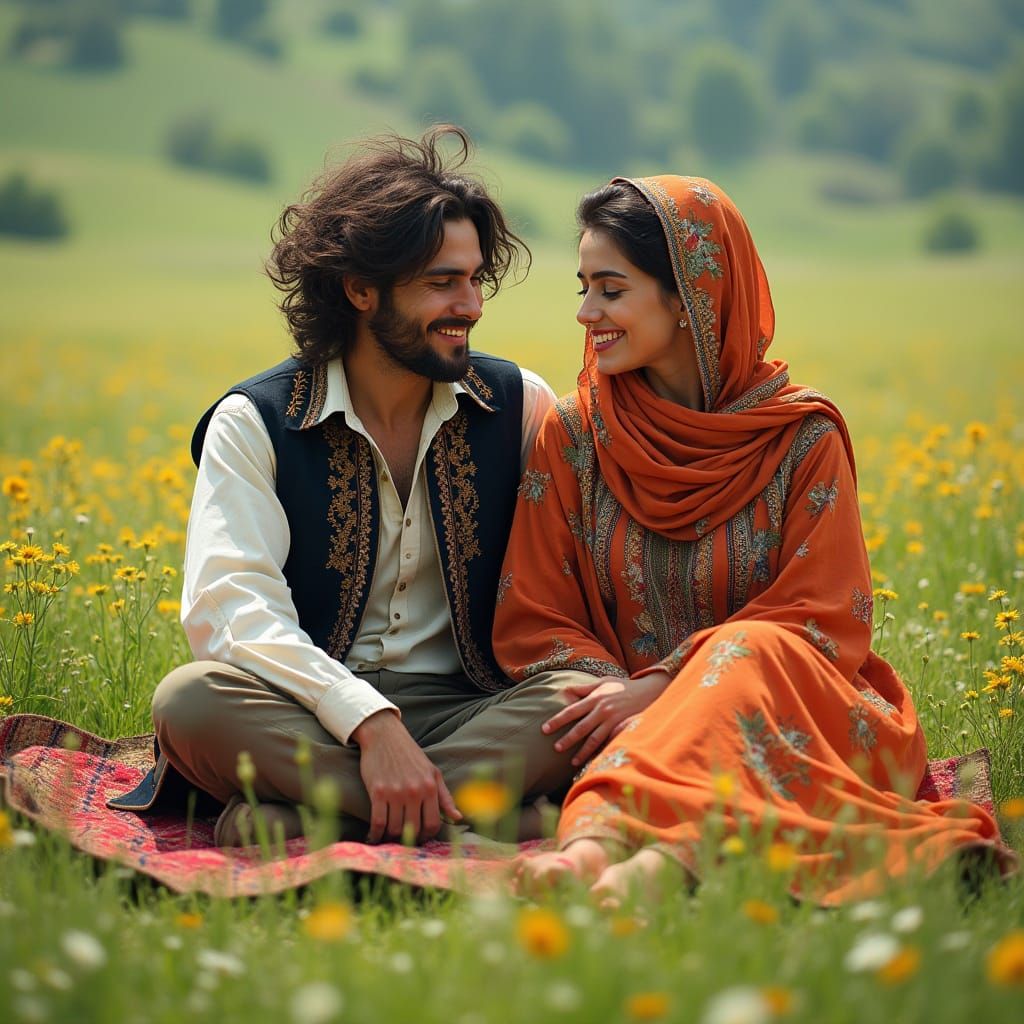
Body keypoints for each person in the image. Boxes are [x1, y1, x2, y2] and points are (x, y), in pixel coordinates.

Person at [493, 174, 1014, 904]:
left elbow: (822, 620)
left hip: (801, 718)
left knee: (752, 647)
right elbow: (533, 609)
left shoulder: (801, 439)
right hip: (625, 721)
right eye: (581, 287)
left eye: (610, 290)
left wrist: (667, 682)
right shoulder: (576, 434)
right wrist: (618, 691)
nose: (586, 313)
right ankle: (615, 863)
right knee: (698, 693)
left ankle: (609, 856)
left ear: (687, 298)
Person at [109, 127, 586, 847]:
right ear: (361, 289)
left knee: (584, 701)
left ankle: (312, 822)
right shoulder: (256, 421)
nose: (471, 305)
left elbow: (569, 576)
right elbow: (230, 607)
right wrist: (365, 717)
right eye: (441, 282)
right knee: (189, 701)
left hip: (472, 708)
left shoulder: (521, 404)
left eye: (475, 279)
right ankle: (495, 825)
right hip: (307, 709)